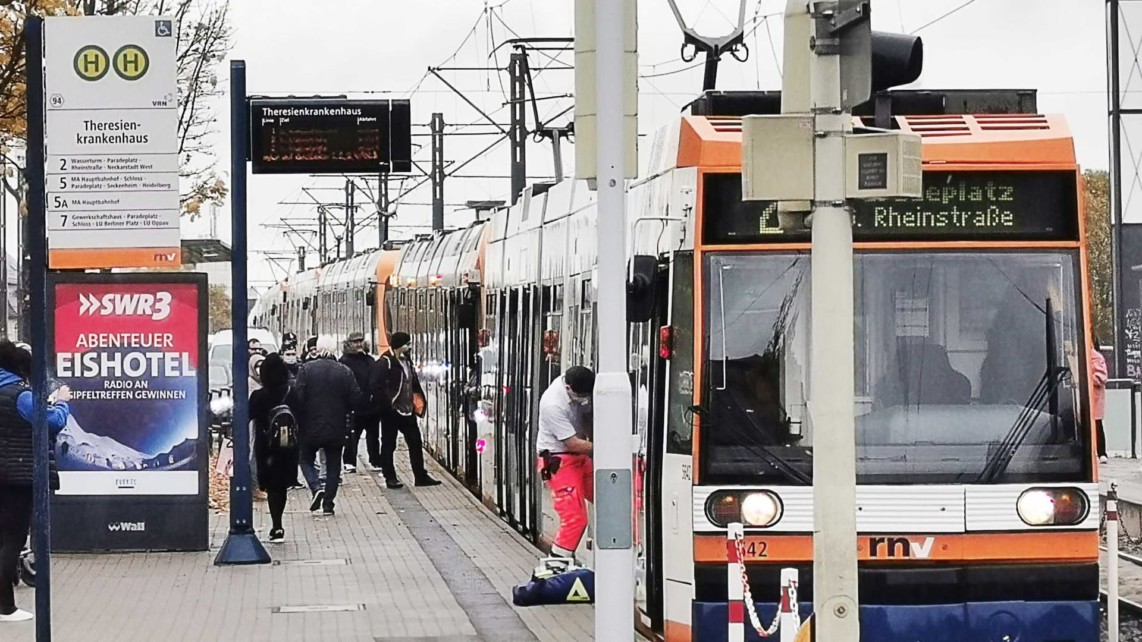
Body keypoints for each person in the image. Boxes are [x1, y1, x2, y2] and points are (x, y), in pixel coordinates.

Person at [0, 341, 70, 622]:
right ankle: (5, 607)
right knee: (12, 541)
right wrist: (62, 402)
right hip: (17, 477)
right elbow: (50, 422)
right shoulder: (20, 395)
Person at [293, 336, 360, 515]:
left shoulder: (306, 369)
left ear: (318, 349)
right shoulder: (344, 371)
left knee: (305, 458)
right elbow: (355, 398)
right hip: (337, 426)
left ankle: (316, 487)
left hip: (309, 426)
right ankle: (329, 504)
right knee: (333, 464)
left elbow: (297, 397)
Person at [536, 366, 595, 559]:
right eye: (581, 395)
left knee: (611, 498)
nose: (584, 399)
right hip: (558, 461)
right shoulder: (553, 404)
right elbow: (572, 443)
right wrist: (606, 449)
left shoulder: (579, 386)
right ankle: (557, 564)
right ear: (569, 388)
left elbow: (585, 419)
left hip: (580, 458)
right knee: (575, 518)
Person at [369, 332, 441, 488]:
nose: (409, 347)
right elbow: (376, 386)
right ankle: (390, 477)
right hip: (391, 412)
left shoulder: (407, 361)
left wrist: (418, 402)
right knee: (389, 444)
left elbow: (412, 383)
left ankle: (420, 476)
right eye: (407, 344)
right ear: (399, 346)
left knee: (415, 442)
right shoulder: (384, 363)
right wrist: (388, 405)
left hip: (407, 410)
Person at [250, 353, 301, 542]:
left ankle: (276, 524)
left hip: (267, 447)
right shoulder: (291, 392)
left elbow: (247, 416)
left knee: (272, 487)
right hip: (288, 447)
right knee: (282, 486)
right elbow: (300, 415)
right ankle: (279, 523)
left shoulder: (259, 396)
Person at [339, 332, 379, 473]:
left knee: (373, 435)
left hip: (371, 405)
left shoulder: (370, 360)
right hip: (354, 406)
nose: (358, 344)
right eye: (355, 342)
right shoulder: (344, 361)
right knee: (352, 435)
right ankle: (349, 461)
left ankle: (375, 460)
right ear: (349, 343)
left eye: (360, 341)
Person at [1092, 337, 1109, 464]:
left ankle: (1102, 452)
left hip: (1095, 397)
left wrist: (1088, 377)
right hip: (1090, 398)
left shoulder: (1096, 357)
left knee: (1097, 424)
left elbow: (1101, 377)